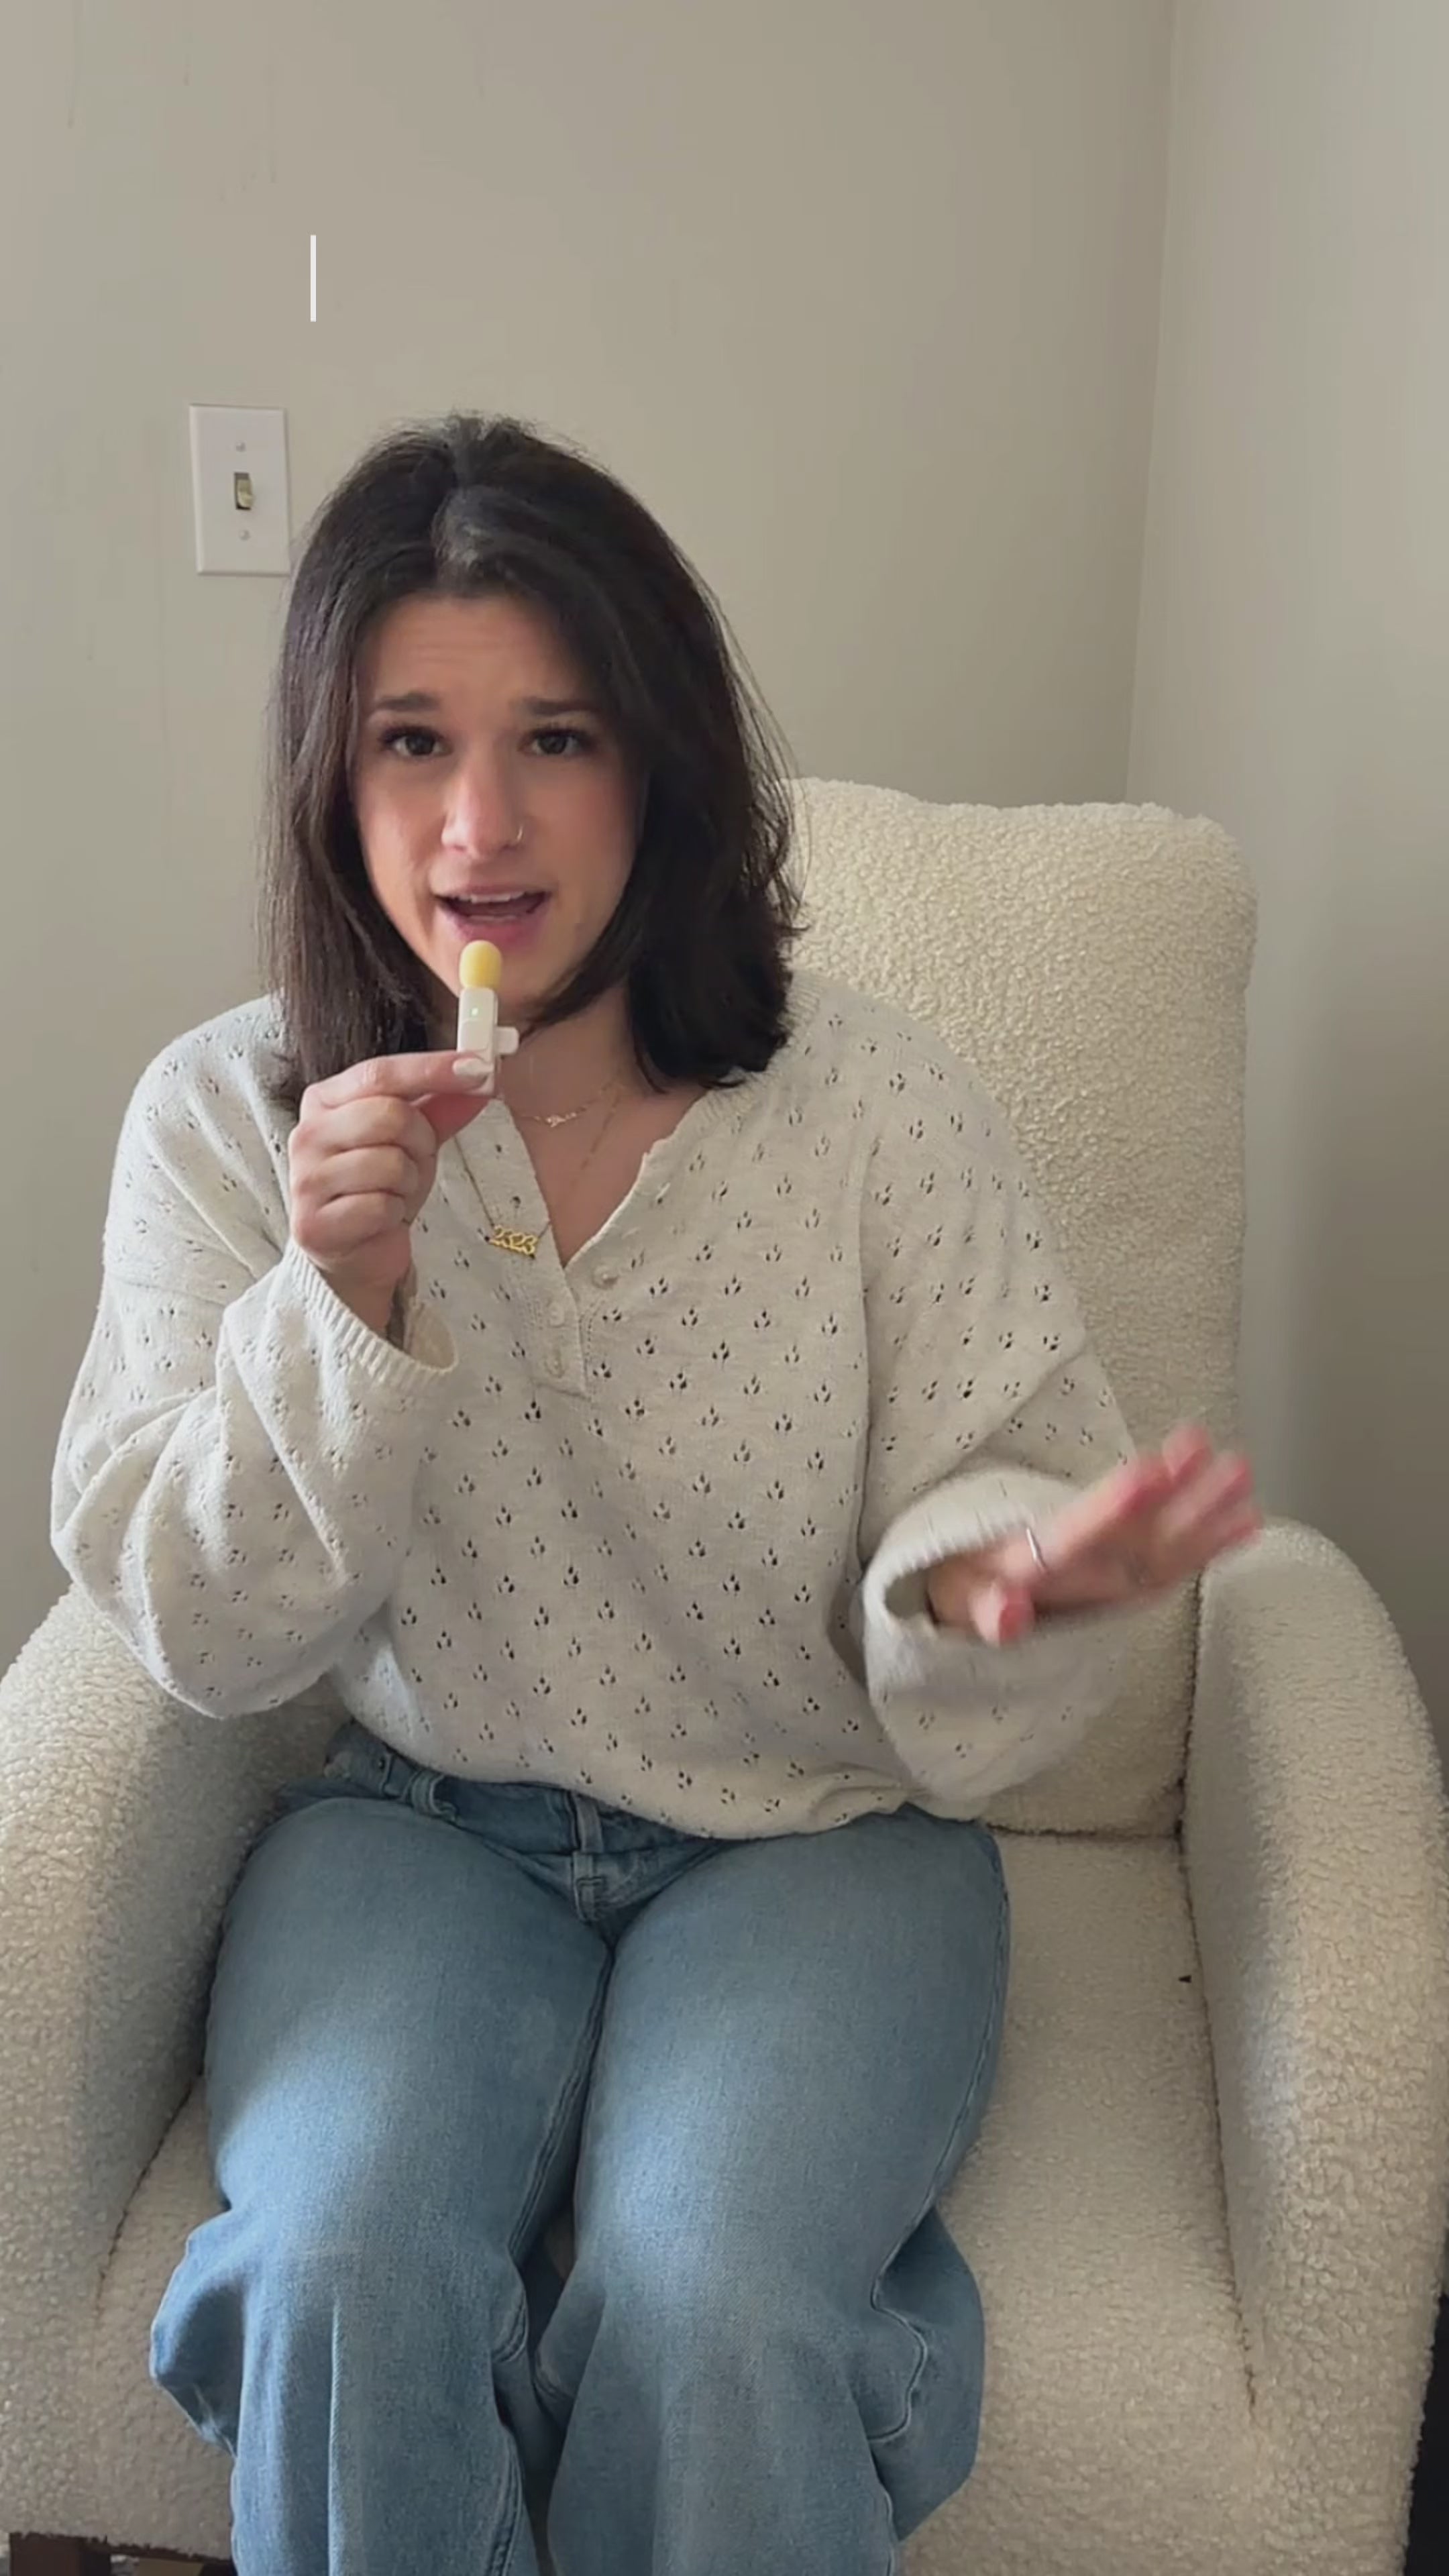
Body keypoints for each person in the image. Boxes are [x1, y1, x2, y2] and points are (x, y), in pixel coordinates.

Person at [51, 411, 1261, 2576]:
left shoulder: (874, 1109)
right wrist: (337, 1305)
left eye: (558, 739)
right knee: (338, 2271)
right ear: (332, 781)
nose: (480, 823)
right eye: (411, 743)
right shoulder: (229, 1119)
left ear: (661, 765)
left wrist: (1000, 1591)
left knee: (717, 2310)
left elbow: (1000, 1482)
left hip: (819, 1842)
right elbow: (202, 1633)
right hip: (418, 1832)